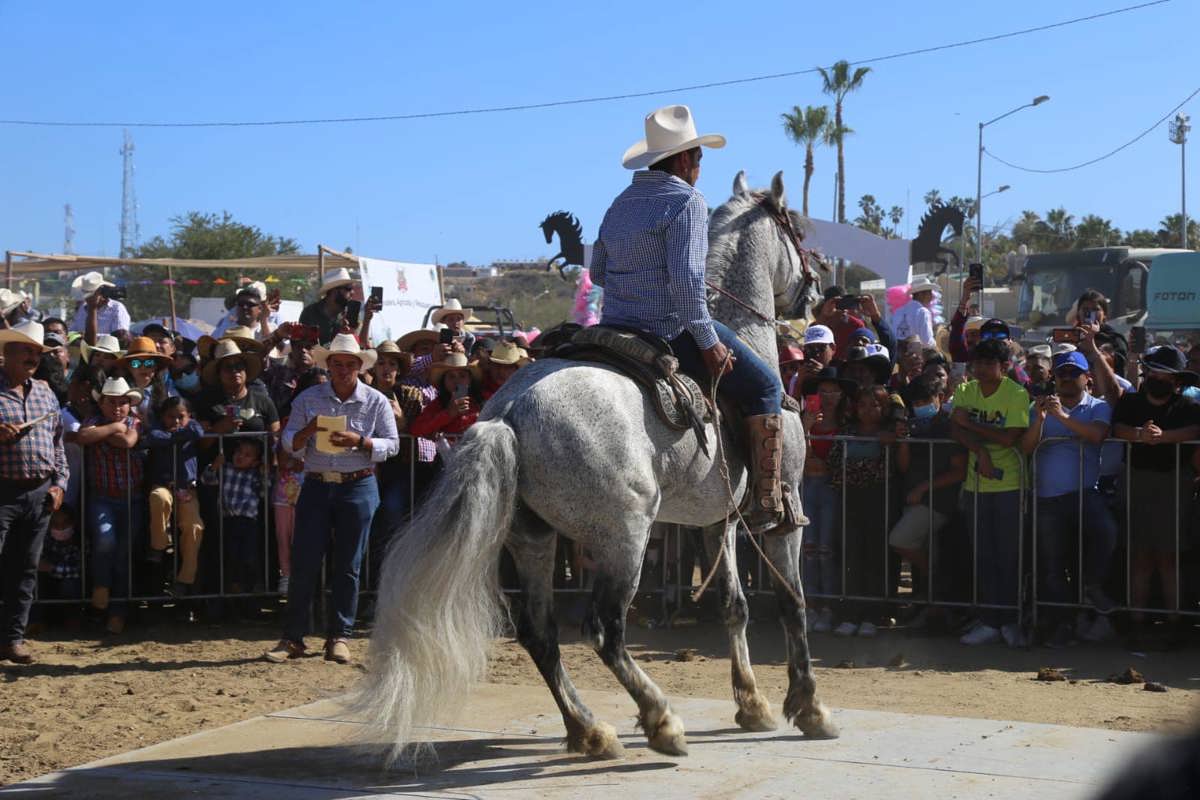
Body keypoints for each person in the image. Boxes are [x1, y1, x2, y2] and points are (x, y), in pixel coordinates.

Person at [591, 104, 796, 530]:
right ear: (685, 159)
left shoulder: (620, 203)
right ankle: (766, 499)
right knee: (765, 384)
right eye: (699, 159)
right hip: (667, 329)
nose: (700, 169)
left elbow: (597, 273)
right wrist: (708, 342)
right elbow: (686, 287)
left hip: (612, 328)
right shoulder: (686, 201)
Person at [266, 333, 399, 665]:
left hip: (358, 485)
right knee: (305, 563)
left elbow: (392, 444)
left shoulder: (376, 401)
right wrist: (309, 431)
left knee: (348, 565)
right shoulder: (308, 399)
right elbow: (288, 445)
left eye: (348, 364)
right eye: (336, 364)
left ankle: (339, 635)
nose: (342, 370)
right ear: (328, 365)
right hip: (316, 484)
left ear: (358, 366)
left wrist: (361, 442)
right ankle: (293, 637)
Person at [1019, 351, 1118, 647]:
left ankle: (1091, 586)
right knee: (1051, 564)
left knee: (1107, 531)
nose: (1065, 377)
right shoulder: (1039, 407)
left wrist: (1062, 417)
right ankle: (1062, 622)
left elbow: (1097, 435)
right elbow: (1025, 448)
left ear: (1087, 378)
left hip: (1086, 494)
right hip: (1047, 498)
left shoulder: (1097, 406)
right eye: (1061, 372)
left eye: (1073, 372)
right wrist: (1040, 419)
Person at [1111, 345, 1200, 647]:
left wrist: (1164, 438)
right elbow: (1118, 427)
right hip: (1137, 482)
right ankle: (1137, 623)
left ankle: (1175, 624)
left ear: (1176, 380)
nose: (1157, 376)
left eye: (1165, 372)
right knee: (1139, 557)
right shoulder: (1131, 401)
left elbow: (1195, 430)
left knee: (1170, 557)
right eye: (1153, 370)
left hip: (1175, 484)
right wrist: (1139, 434)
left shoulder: (1187, 405)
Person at [950, 338, 1030, 647]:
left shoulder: (1017, 394)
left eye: (988, 363)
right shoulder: (965, 390)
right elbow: (955, 428)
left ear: (1005, 366)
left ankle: (1010, 620)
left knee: (1008, 557)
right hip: (976, 486)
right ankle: (989, 620)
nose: (981, 369)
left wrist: (972, 426)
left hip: (1010, 486)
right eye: (978, 363)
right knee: (983, 556)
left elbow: (1010, 438)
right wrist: (980, 450)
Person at [0, 321, 68, 664]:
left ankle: (12, 639)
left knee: (25, 569)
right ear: (7, 352)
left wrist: (60, 484)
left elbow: (58, 445)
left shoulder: (45, 392)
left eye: (37, 352)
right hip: (2, 492)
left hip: (39, 492)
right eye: (26, 350)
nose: (32, 357)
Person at [825, 384, 901, 637]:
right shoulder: (847, 432)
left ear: (885, 408)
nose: (868, 410)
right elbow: (835, 466)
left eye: (875, 405)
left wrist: (860, 466)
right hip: (850, 499)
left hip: (879, 499)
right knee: (851, 556)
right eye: (863, 405)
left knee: (875, 558)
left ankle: (873, 614)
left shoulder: (890, 435)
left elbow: (889, 469)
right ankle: (851, 613)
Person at [890, 377, 966, 624]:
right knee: (922, 549)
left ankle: (936, 578)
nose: (922, 406)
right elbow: (904, 466)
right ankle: (932, 604)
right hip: (914, 499)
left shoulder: (949, 427)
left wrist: (924, 488)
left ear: (941, 399)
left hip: (939, 502)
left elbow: (959, 470)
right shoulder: (914, 427)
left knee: (900, 540)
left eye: (927, 400)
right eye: (918, 402)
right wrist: (902, 442)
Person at [77, 376, 144, 634]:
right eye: (111, 402)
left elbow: (128, 441)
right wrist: (116, 427)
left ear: (129, 404)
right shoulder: (95, 422)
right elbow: (83, 436)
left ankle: (117, 610)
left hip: (131, 497)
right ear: (102, 403)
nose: (117, 407)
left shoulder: (136, 421)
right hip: (103, 496)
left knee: (123, 555)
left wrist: (103, 433)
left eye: (122, 403)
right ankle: (101, 591)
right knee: (105, 542)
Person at [799, 366, 856, 632]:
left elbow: (835, 462)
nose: (829, 396)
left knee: (827, 548)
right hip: (810, 485)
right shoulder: (805, 418)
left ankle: (829, 607)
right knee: (810, 549)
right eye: (823, 391)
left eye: (834, 391)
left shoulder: (847, 423)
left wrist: (818, 460)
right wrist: (807, 429)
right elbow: (802, 458)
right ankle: (811, 606)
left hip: (832, 487)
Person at [272, 369, 328, 595]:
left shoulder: (334, 419)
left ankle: (310, 584)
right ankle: (286, 576)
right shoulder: (290, 419)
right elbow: (283, 458)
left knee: (309, 541)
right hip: (288, 491)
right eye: (315, 386)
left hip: (317, 486)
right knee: (284, 537)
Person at [144, 397, 206, 596]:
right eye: (171, 417)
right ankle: (159, 545)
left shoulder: (192, 427)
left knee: (194, 526)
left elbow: (198, 431)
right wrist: (178, 436)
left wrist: (174, 435)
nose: (176, 421)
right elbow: (154, 437)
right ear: (162, 416)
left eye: (181, 417)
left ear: (189, 416)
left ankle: (185, 578)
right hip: (163, 485)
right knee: (158, 498)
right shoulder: (156, 429)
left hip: (187, 489)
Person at [201, 438, 265, 598]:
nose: (241, 456)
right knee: (230, 556)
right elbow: (206, 479)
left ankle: (249, 586)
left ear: (255, 462)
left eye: (247, 455)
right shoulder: (226, 469)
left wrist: (265, 474)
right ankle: (233, 587)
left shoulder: (254, 475)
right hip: (229, 520)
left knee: (248, 556)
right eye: (239, 452)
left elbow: (264, 492)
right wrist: (215, 465)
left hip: (248, 521)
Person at [195, 340, 279, 439]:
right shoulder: (206, 401)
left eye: (239, 366)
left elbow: (275, 441)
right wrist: (219, 428)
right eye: (228, 367)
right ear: (219, 374)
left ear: (245, 370)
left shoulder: (263, 401)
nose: (234, 371)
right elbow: (201, 445)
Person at [408, 352, 483, 441]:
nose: (457, 381)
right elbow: (416, 430)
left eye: (462, 376)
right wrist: (448, 414)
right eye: (451, 376)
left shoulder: (481, 402)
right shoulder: (438, 404)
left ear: (470, 380)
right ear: (444, 381)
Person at [263, 324, 319, 419]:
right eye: (298, 346)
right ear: (292, 351)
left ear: (317, 352)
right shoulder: (278, 373)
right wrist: (277, 336)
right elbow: (259, 357)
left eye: (309, 347)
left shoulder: (324, 377)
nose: (303, 350)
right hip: (280, 428)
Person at [116, 336, 175, 419]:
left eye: (149, 363)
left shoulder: (165, 391)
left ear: (156, 367)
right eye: (136, 363)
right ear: (129, 367)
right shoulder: (118, 390)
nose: (143, 367)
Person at [299, 268, 357, 345]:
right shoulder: (310, 313)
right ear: (334, 291)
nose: (353, 292)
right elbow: (302, 345)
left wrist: (366, 320)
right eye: (349, 288)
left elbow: (358, 345)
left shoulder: (350, 314)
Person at [70, 272, 132, 343]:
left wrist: (88, 336)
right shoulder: (82, 309)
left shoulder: (116, 308)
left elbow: (121, 337)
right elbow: (72, 332)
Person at [212, 283, 280, 341]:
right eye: (241, 303)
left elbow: (274, 350)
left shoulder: (272, 327)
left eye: (250, 304)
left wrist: (263, 320)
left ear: (260, 307)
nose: (245, 307)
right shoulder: (225, 329)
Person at [892, 278, 938, 346]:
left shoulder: (898, 311)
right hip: (915, 353)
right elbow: (926, 341)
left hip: (899, 352)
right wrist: (936, 344)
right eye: (929, 292)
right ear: (920, 294)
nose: (932, 296)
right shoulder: (923, 312)